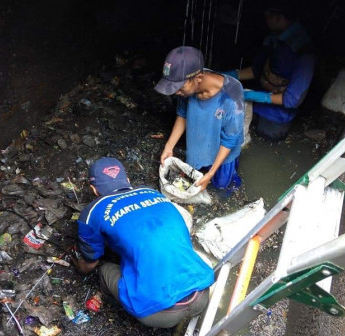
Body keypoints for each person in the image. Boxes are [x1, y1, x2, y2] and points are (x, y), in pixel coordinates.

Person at [73, 157, 213, 329]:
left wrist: (79, 268)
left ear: (93, 189)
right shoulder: (153, 193)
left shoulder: (93, 210)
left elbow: (90, 263)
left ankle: (111, 301)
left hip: (159, 314)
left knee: (104, 270)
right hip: (202, 292)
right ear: (128, 181)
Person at [154, 46, 245, 191]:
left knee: (222, 186)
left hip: (224, 151)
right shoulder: (188, 86)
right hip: (199, 143)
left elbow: (230, 139)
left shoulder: (231, 95)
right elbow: (182, 115)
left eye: (179, 87)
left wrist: (211, 173)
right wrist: (168, 146)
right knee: (193, 175)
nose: (176, 92)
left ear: (199, 78)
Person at [223, 1, 315, 141]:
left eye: (267, 17)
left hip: (276, 117)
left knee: (264, 141)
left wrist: (256, 96)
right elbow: (257, 70)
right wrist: (229, 75)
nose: (265, 21)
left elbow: (292, 100)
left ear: (278, 17)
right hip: (257, 107)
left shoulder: (303, 52)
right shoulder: (274, 39)